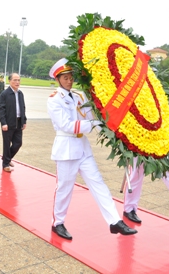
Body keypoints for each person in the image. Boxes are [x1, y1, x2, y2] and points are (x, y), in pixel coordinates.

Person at [47, 58, 136, 240]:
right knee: (65, 188)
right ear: (57, 79)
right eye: (65, 77)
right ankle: (58, 223)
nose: (69, 80)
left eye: (71, 77)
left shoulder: (80, 96)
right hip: (66, 148)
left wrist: (113, 129)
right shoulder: (54, 99)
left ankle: (114, 221)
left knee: (98, 183)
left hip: (83, 148)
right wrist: (93, 124)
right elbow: (66, 125)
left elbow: (93, 117)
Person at [0, 73, 26, 172]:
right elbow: (1, 109)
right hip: (8, 123)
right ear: (10, 81)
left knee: (18, 143)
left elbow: (23, 108)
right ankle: (5, 164)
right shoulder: (4, 94)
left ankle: (7, 158)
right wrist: (3, 123)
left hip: (18, 122)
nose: (17, 82)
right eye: (15, 80)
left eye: (18, 80)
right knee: (6, 143)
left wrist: (24, 120)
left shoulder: (20, 93)